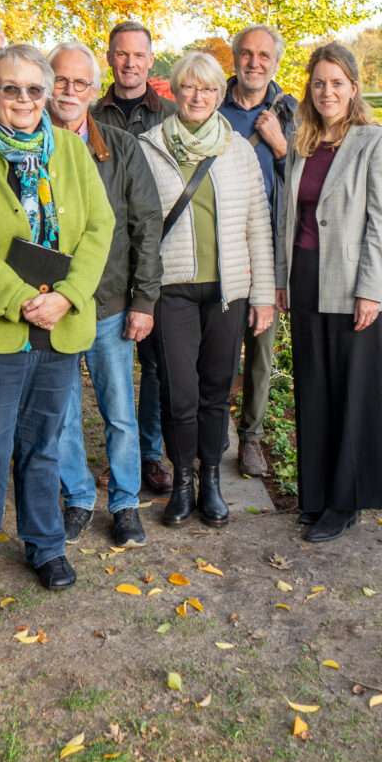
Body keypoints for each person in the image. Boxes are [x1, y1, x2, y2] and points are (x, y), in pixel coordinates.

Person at [0, 44, 114, 604]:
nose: (23, 99)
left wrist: (68, 296)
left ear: (48, 94)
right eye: (9, 88)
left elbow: (98, 229)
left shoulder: (70, 151)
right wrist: (19, 299)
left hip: (57, 327)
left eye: (34, 89)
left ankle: (46, 545)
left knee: (43, 445)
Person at [137, 51, 274, 528]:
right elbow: (139, 226)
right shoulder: (149, 147)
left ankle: (212, 478)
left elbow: (259, 225)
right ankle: (182, 483)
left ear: (220, 94)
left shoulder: (237, 150)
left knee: (216, 390)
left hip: (228, 291)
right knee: (180, 392)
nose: (198, 96)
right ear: (174, 91)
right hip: (171, 291)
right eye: (190, 87)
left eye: (209, 89)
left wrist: (263, 296)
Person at [275, 43, 382, 543]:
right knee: (313, 388)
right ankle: (316, 495)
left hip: (352, 286)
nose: (327, 91)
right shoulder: (301, 141)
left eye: (337, 83)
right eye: (319, 82)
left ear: (353, 87)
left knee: (350, 393)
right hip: (306, 278)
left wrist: (370, 289)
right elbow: (290, 218)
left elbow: (380, 222)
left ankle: (344, 502)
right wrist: (283, 280)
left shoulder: (375, 141)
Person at [46, 42, 162, 548]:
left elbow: (146, 225)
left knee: (119, 411)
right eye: (61, 81)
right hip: (50, 306)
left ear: (95, 91)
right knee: (65, 410)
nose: (69, 91)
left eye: (79, 83)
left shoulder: (119, 147)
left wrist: (144, 299)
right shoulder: (30, 146)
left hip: (110, 304)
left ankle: (123, 502)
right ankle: (76, 499)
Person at [92, 20, 177, 495]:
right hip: (106, 266)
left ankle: (149, 453)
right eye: (121, 54)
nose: (129, 63)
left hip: (155, 254)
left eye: (138, 55)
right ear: (109, 57)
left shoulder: (170, 114)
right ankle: (116, 459)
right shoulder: (89, 115)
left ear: (150, 60)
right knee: (113, 372)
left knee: (156, 365)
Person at [219, 24, 298, 478]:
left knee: (261, 351)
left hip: (269, 249)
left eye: (264, 56)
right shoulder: (214, 105)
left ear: (275, 62)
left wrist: (281, 146)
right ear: (235, 59)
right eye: (246, 54)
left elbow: (311, 175)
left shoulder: (290, 112)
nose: (254, 62)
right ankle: (214, 433)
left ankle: (250, 438)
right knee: (220, 349)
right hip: (225, 246)